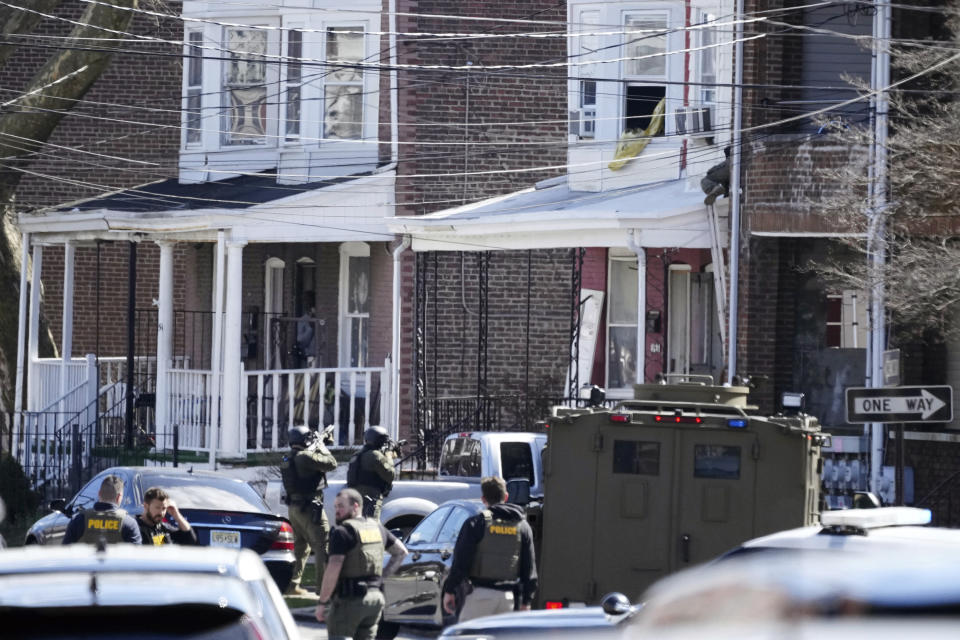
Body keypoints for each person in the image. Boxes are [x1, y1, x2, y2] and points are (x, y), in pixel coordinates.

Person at [314, 488, 407, 640]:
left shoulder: (342, 532)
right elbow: (401, 551)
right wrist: (382, 578)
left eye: (341, 506)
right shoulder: (377, 528)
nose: (337, 511)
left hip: (349, 601)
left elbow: (333, 569)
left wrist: (322, 602)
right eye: (336, 507)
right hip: (375, 600)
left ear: (356, 506)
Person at [442, 476, 538, 623]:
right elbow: (529, 569)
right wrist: (526, 601)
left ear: (483, 499)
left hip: (479, 596)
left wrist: (450, 590)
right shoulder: (522, 527)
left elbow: (461, 562)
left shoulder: (476, 523)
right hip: (508, 599)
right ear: (506, 497)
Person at [281, 425, 339, 596]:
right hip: (309, 508)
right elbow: (332, 463)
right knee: (323, 546)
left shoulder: (287, 457)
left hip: (295, 508)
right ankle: (324, 589)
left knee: (300, 547)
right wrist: (321, 446)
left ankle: (292, 584)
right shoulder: (305, 457)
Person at [62, 475, 142, 545]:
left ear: (99, 493)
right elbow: (135, 558)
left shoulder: (78, 520)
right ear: (118, 497)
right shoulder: (129, 523)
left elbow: (66, 553)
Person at [345, 426, 396, 521]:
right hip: (370, 501)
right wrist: (389, 456)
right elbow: (390, 475)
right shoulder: (375, 455)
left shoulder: (357, 455)